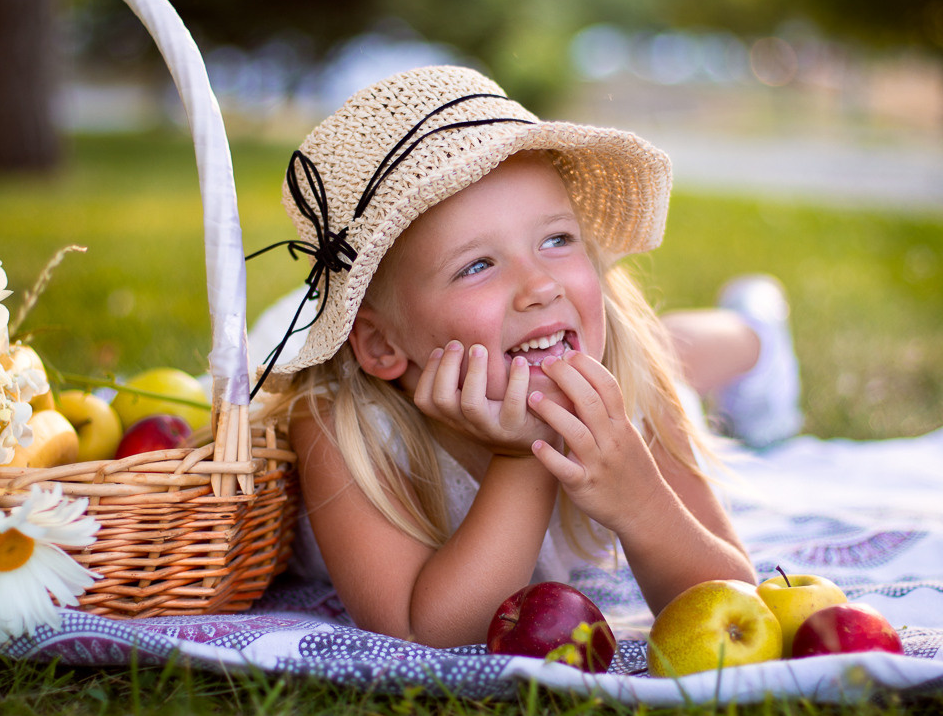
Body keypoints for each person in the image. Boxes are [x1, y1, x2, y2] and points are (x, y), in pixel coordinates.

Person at [252, 66, 800, 648]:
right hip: (386, 354)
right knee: (666, 344)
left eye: (557, 240)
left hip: (620, 346)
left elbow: (734, 601)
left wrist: (643, 504)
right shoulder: (345, 426)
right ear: (384, 346)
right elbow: (422, 632)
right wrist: (520, 457)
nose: (539, 284)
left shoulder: (623, 377)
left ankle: (757, 329)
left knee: (673, 347)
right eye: (477, 266)